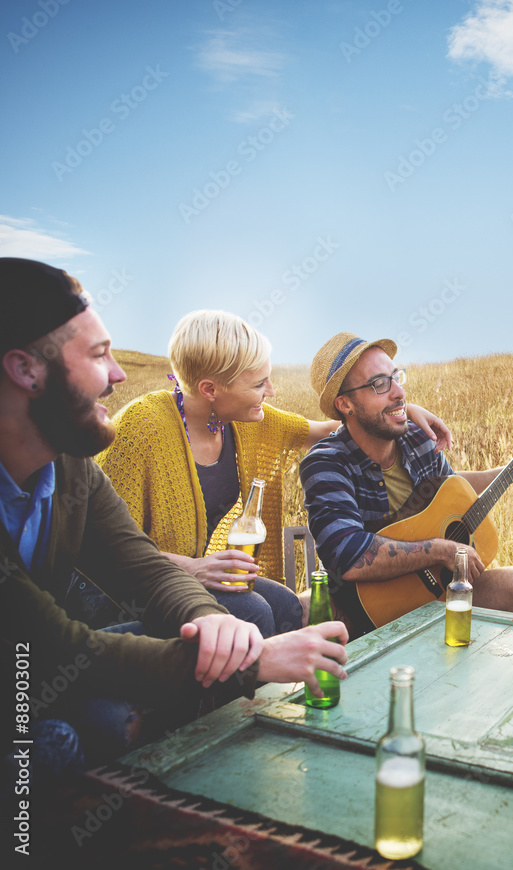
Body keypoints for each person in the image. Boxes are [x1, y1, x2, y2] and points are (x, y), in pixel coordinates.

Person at [0, 259, 348, 769]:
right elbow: (50, 647)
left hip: (39, 660)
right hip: (39, 656)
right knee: (61, 737)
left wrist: (210, 622)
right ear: (26, 368)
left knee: (239, 613)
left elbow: (143, 567)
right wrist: (250, 662)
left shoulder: (70, 471)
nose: (119, 375)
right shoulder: (138, 429)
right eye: (99, 356)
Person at [95, 310, 450, 638]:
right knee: (251, 611)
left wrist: (401, 408)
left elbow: (338, 425)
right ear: (210, 389)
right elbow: (104, 549)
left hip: (185, 580)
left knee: (284, 605)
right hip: (120, 594)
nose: (270, 393)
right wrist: (191, 567)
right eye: (258, 384)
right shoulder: (142, 427)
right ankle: (229, 707)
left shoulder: (246, 422)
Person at [300, 332, 513, 636]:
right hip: (360, 610)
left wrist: (512, 471)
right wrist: (438, 551)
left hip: (435, 596)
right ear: (345, 404)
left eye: (396, 377)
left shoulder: (417, 439)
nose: (399, 392)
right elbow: (348, 554)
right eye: (380, 384)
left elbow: (450, 489)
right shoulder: (327, 462)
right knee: (302, 614)